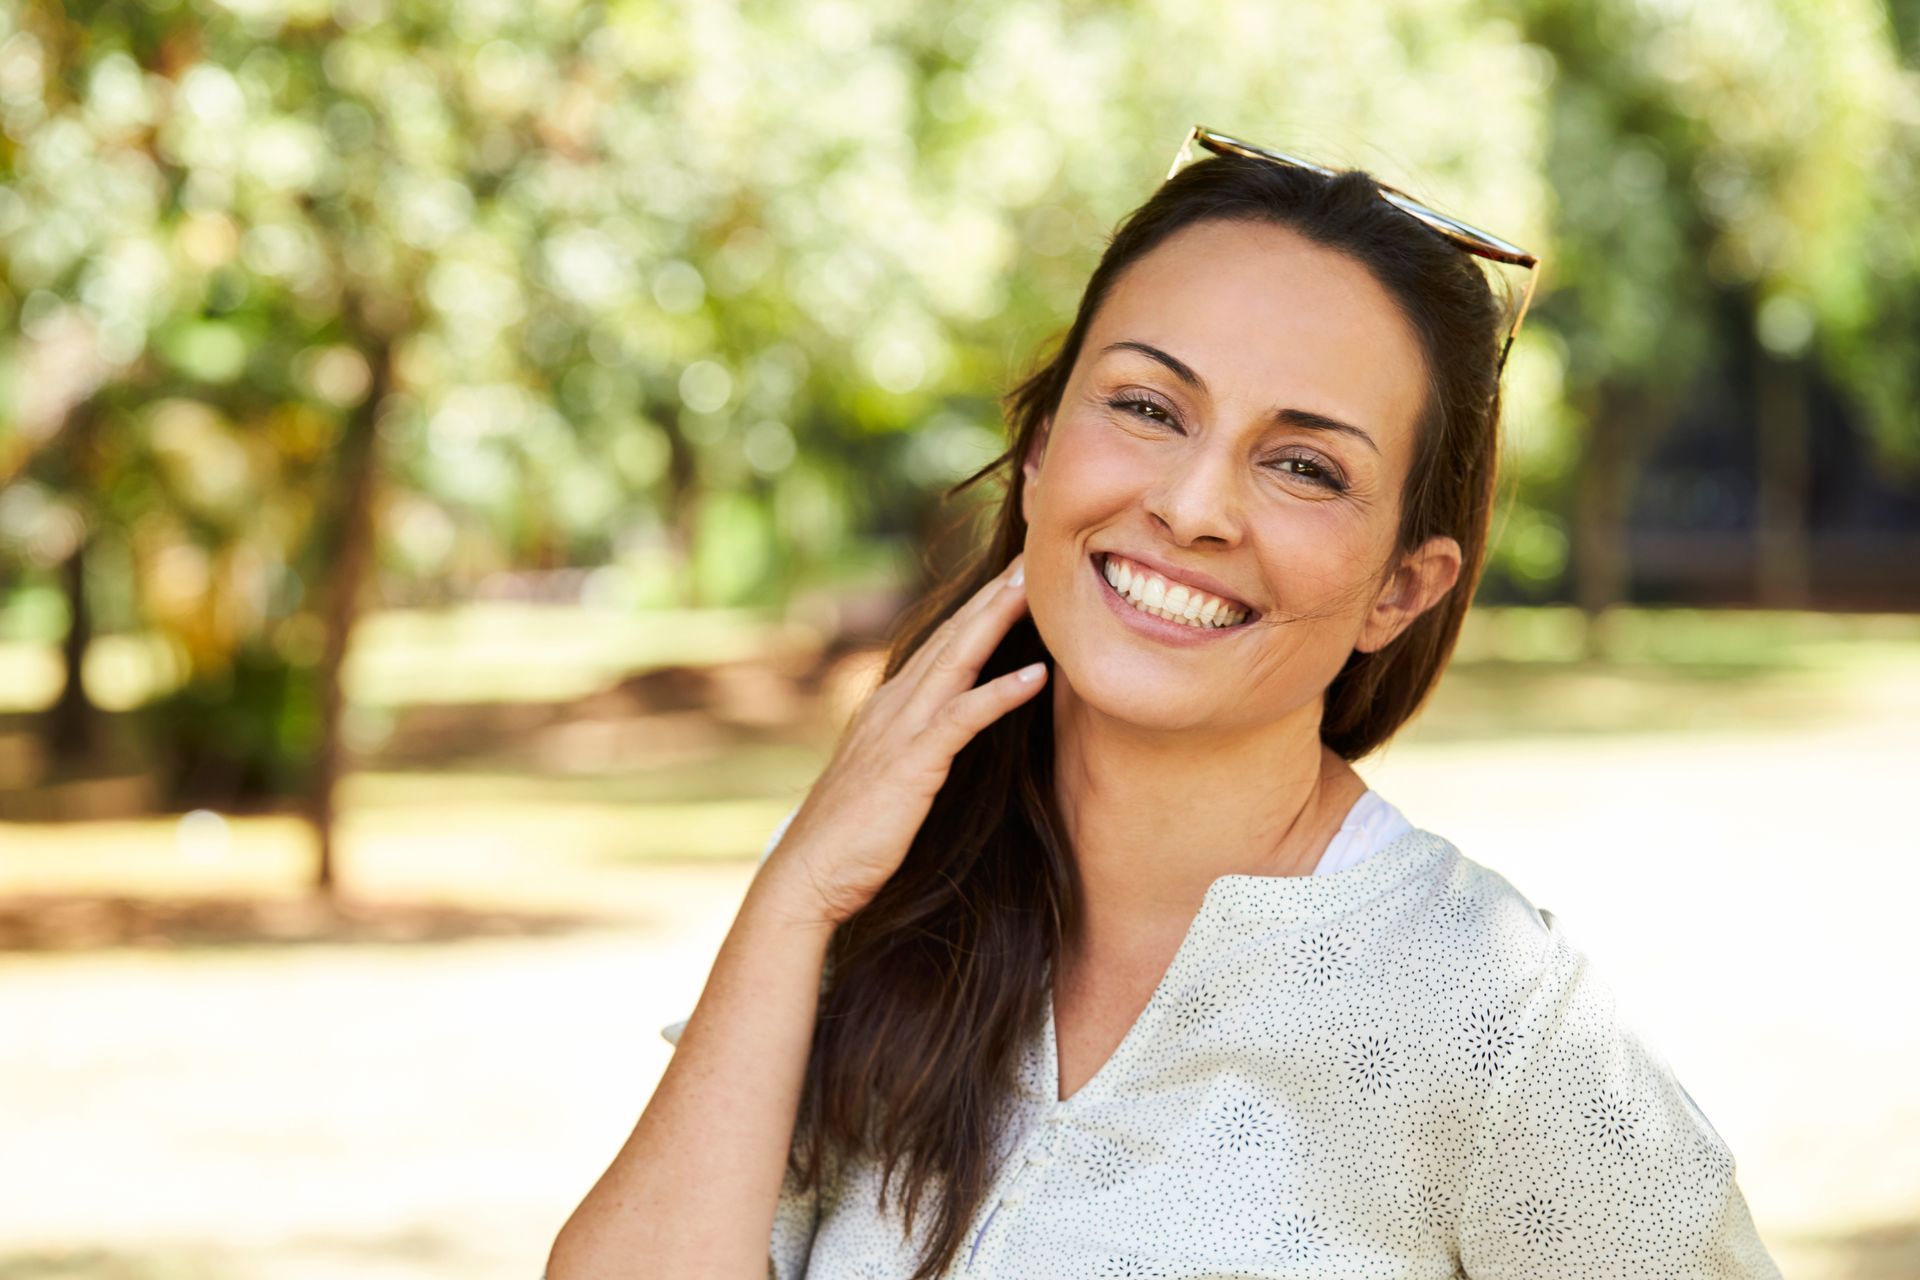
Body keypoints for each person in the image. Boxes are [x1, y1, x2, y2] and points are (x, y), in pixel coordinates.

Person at [545, 133, 1783, 1279]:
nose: (1193, 505)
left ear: (1401, 588)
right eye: (1147, 407)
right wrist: (800, 892)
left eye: (1304, 466)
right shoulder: (871, 893)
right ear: (1041, 453)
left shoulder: (1496, 1022)